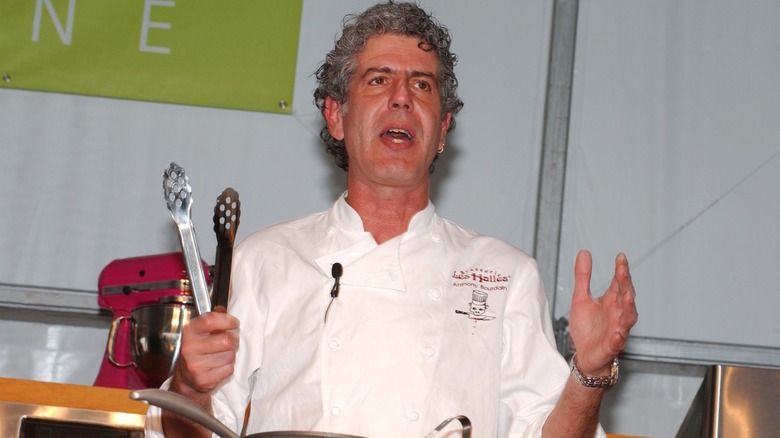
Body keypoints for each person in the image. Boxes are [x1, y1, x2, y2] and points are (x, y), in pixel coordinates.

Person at [144, 2, 637, 437]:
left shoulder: (505, 275)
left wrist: (588, 373)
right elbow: (191, 434)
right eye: (378, 79)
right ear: (335, 117)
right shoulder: (267, 259)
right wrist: (190, 384)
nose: (402, 97)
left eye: (421, 85)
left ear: (442, 129)